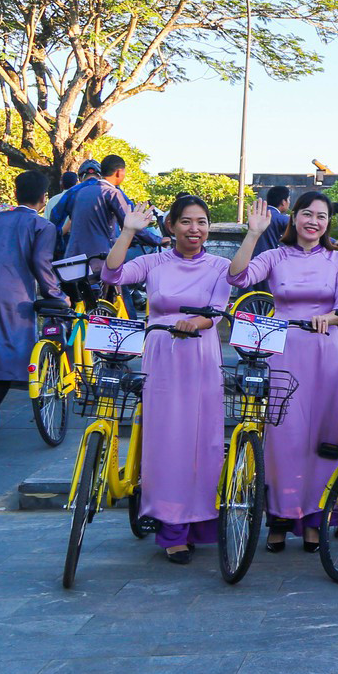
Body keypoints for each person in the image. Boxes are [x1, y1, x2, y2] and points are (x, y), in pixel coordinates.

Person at [102, 195, 233, 563]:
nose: (195, 229)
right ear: (172, 225)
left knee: (203, 441)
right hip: (161, 356)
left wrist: (197, 322)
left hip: (202, 355)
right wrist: (128, 231)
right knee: (166, 440)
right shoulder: (153, 262)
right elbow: (111, 274)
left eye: (202, 222)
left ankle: (201, 521)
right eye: (187, 222)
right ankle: (171, 526)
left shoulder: (220, 265)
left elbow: (218, 311)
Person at [228, 191, 338, 552]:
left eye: (322, 217)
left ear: (328, 224)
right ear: (293, 217)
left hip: (325, 350)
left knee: (323, 435)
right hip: (283, 351)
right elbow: (237, 279)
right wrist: (251, 234)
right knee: (284, 435)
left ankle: (316, 517)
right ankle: (280, 517)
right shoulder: (274, 256)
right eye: (307, 214)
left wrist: (325, 318)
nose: (314, 222)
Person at [0, 170, 65, 444]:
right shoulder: (43, 226)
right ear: (44, 197)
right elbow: (41, 264)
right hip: (14, 294)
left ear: (15, 193)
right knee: (10, 352)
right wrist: (56, 295)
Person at [62, 155, 156, 270]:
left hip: (73, 257)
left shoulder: (80, 192)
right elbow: (129, 224)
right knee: (122, 275)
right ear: (119, 173)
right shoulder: (112, 192)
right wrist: (158, 240)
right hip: (99, 258)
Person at [251, 185, 292, 259]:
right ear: (283, 202)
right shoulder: (281, 218)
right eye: (288, 200)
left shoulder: (257, 215)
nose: (289, 203)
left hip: (252, 259)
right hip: (270, 260)